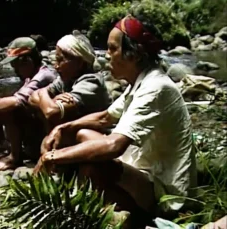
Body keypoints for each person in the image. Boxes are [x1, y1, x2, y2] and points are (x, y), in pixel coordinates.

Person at [34, 15, 197, 227]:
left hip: (166, 192)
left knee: (93, 165)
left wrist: (51, 157)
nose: (107, 56)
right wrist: (63, 127)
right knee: (80, 134)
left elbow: (114, 146)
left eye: (112, 49)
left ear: (134, 55)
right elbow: (104, 117)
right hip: (142, 169)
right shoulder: (139, 82)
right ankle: (87, 200)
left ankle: (117, 214)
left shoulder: (156, 87)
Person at [0, 37, 58, 171]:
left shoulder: (42, 77)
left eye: (15, 65)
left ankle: (15, 158)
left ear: (27, 61)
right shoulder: (32, 75)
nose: (14, 70)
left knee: (6, 108)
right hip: (37, 128)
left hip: (46, 136)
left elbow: (16, 102)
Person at [28, 34, 110, 134]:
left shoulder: (91, 81)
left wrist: (43, 95)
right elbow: (31, 98)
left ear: (79, 63)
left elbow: (51, 112)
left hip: (98, 137)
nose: (56, 66)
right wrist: (46, 94)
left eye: (60, 60)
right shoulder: (65, 79)